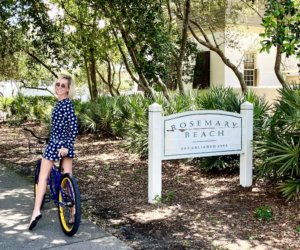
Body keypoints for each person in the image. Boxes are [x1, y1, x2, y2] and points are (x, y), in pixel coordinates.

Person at [28, 74, 78, 230]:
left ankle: (36, 211)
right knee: (67, 177)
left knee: (42, 177)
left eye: (63, 85)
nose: (59, 87)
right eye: (58, 84)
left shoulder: (66, 105)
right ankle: (73, 212)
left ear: (68, 89)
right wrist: (67, 146)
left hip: (57, 145)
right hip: (63, 145)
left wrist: (65, 145)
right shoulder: (61, 104)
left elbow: (74, 128)